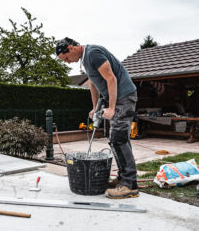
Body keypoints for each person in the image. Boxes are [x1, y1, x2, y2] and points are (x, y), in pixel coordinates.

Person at [56, 37, 139, 199]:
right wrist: (95, 108)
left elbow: (111, 79)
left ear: (72, 48)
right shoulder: (85, 60)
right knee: (116, 139)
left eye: (66, 58)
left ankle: (130, 185)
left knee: (118, 138)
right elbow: (93, 84)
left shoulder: (93, 53)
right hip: (119, 98)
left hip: (125, 97)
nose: (67, 62)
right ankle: (124, 179)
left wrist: (112, 107)